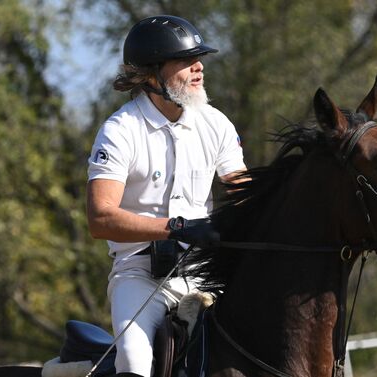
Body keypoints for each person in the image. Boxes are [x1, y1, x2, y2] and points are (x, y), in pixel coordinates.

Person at [86, 15, 246, 377]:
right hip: (140, 275)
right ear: (151, 75)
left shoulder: (215, 123)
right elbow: (101, 218)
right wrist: (176, 228)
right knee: (135, 362)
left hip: (207, 271)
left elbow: (244, 193)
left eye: (199, 59)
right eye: (186, 61)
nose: (199, 67)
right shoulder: (119, 131)